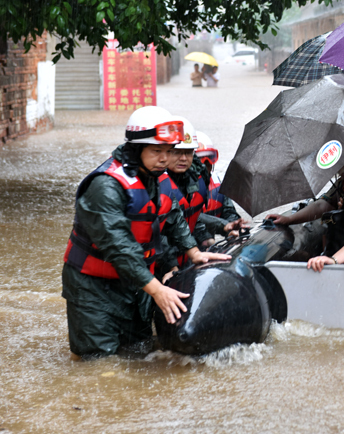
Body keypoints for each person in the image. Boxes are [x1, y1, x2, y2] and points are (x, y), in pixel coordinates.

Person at [61, 106, 231, 358]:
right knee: (99, 362)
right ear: (136, 149)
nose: (165, 159)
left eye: (168, 151)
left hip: (137, 283)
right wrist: (157, 290)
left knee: (140, 350)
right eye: (156, 151)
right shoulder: (106, 187)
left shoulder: (158, 178)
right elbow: (118, 247)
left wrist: (194, 252)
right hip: (93, 287)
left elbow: (173, 216)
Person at [159, 117, 243, 271]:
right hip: (162, 265)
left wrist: (226, 229)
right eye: (177, 152)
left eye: (188, 153)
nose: (183, 158)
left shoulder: (198, 182)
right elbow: (161, 230)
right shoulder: (156, 184)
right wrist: (171, 266)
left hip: (190, 257)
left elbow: (191, 218)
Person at [195, 131, 242, 242]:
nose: (204, 167)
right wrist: (223, 225)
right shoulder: (175, 189)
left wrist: (234, 227)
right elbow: (190, 217)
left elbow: (229, 212)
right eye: (199, 162)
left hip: (208, 248)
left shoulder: (216, 184)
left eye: (208, 161)